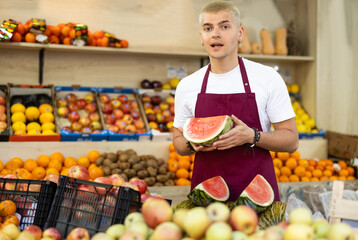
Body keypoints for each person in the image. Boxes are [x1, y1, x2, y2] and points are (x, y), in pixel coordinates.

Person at [172, 1, 298, 201]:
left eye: (224, 26)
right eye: (208, 28)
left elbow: (292, 140)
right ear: (201, 37)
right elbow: (178, 142)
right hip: (206, 196)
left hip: (257, 196)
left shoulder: (267, 78)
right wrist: (191, 144)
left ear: (240, 33)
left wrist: (253, 136)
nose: (215, 34)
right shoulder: (187, 85)